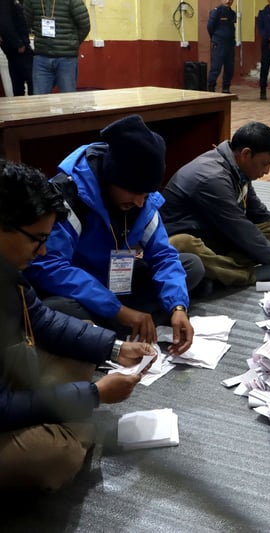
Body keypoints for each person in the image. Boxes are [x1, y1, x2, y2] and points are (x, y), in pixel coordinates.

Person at [0, 159, 153, 491]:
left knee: (84, 332)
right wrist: (94, 394)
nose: (42, 253)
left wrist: (114, 347)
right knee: (57, 457)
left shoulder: (9, 268)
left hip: (10, 377)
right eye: (36, 240)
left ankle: (61, 416)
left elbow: (41, 319)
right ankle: (67, 425)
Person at [24, 115, 201, 352]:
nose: (140, 202)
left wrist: (178, 307)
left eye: (146, 194)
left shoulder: (141, 201)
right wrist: (118, 310)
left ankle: (107, 327)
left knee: (191, 266)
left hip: (116, 283)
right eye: (134, 192)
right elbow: (50, 267)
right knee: (57, 307)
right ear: (110, 178)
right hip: (80, 290)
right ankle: (122, 324)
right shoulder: (68, 195)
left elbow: (163, 256)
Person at [161, 121, 270, 287]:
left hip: (213, 234)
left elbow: (259, 213)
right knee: (183, 244)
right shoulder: (212, 178)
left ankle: (214, 274)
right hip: (184, 240)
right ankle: (246, 275)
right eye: (265, 163)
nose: (267, 171)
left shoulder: (237, 170)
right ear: (246, 154)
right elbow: (239, 228)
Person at [23, 0, 90, 94]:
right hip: (41, 57)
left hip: (66, 59)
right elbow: (25, 23)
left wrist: (71, 43)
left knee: (68, 100)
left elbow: (85, 25)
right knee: (39, 101)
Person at [0, 0, 33, 96]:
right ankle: (34, 107)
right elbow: (5, 23)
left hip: (12, 46)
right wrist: (18, 44)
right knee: (31, 80)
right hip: (17, 47)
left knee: (18, 81)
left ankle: (21, 106)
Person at [207, 0, 236, 93]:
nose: (228, 1)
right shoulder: (216, 11)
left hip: (230, 44)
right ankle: (211, 88)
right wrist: (216, 38)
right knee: (216, 67)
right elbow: (210, 27)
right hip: (219, 44)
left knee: (229, 68)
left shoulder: (232, 13)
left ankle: (226, 88)